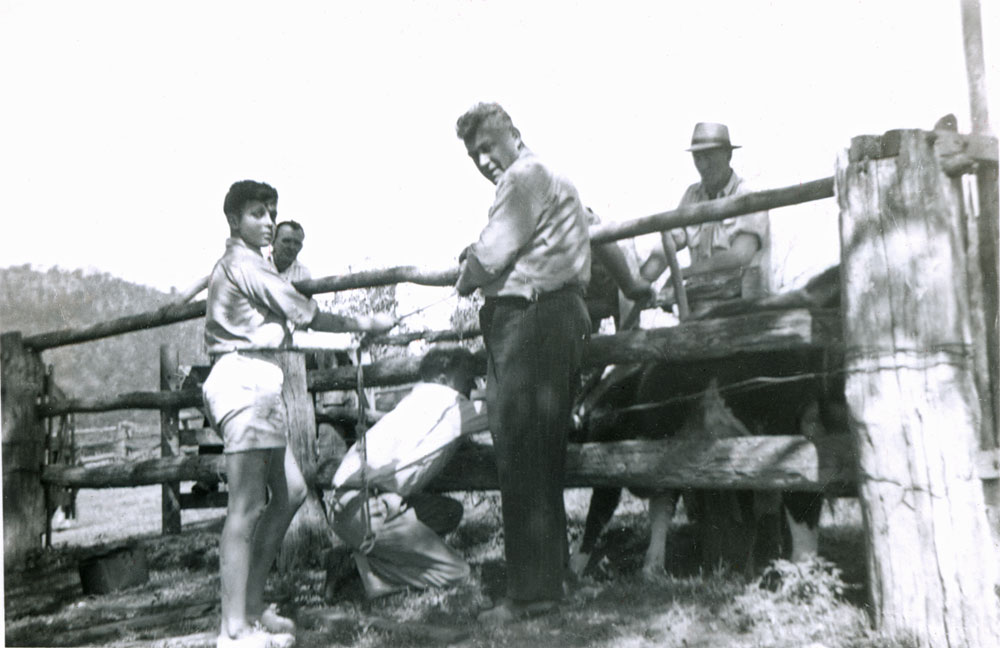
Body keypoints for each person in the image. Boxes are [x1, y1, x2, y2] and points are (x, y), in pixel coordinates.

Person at [201, 179, 395, 648]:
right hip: (242, 383)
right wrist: (363, 324)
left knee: (289, 492)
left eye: (271, 212)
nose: (268, 221)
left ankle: (250, 607)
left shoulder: (250, 266)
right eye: (256, 213)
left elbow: (286, 331)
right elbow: (304, 314)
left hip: (259, 383)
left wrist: (350, 338)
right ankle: (234, 628)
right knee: (245, 509)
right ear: (232, 219)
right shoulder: (244, 264)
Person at [454, 102, 592, 623]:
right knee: (539, 450)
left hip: (531, 320)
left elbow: (490, 257)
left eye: (489, 146)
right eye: (474, 155)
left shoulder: (524, 175)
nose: (484, 160)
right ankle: (550, 579)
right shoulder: (547, 178)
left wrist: (468, 268)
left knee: (521, 450)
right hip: (549, 316)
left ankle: (531, 594)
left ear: (514, 135)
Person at [326, 345, 488, 599]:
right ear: (443, 379)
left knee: (448, 512)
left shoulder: (418, 401)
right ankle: (363, 573)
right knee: (458, 574)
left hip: (350, 505)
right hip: (365, 508)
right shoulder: (446, 402)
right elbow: (502, 414)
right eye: (467, 378)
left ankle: (363, 559)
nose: (473, 385)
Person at [639, 122, 771, 297]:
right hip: (701, 300)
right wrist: (640, 282)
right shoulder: (692, 195)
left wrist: (683, 274)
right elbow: (672, 240)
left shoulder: (747, 195)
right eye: (697, 157)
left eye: (709, 156)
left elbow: (741, 255)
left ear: (728, 155)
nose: (703, 165)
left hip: (743, 303)